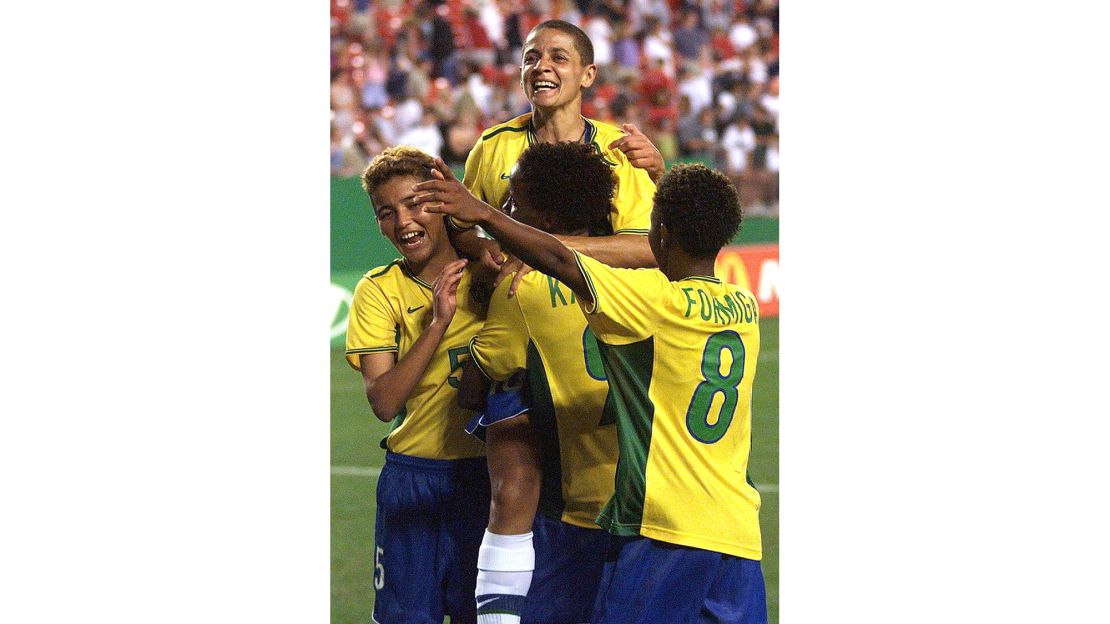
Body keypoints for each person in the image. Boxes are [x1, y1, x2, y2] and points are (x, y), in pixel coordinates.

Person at [413, 157, 768, 624]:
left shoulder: (652, 301)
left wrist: (485, 215)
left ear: (659, 233)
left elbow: (562, 261)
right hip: (739, 532)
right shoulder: (744, 306)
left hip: (665, 528)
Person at [456, 142, 622, 624]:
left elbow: (473, 390)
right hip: (646, 498)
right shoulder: (639, 275)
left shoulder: (522, 289)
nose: (504, 213)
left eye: (515, 204)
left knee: (505, 399)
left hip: (573, 508)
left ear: (546, 220)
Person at [346, 146, 490, 624]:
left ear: (445, 202)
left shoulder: (494, 273)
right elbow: (384, 401)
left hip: (490, 479)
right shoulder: (378, 289)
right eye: (387, 213)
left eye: (415, 203)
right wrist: (437, 325)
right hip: (413, 478)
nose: (403, 221)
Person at [460, 19, 664, 276]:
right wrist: (479, 245)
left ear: (588, 75)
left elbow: (646, 249)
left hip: (596, 310)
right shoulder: (492, 145)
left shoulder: (618, 148)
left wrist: (542, 252)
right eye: (531, 58)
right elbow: (459, 227)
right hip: (516, 307)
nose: (541, 66)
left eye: (559, 58)